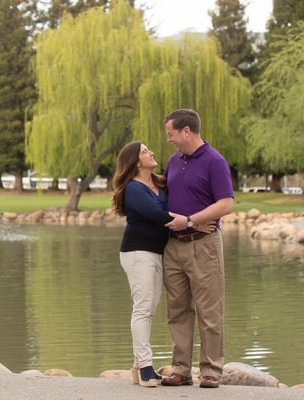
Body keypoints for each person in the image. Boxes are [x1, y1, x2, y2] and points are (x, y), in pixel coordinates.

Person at [111, 141, 212, 388]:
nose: (152, 152)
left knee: (149, 309)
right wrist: (193, 223)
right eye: (145, 151)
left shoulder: (157, 183)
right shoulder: (133, 189)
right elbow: (157, 216)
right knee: (143, 308)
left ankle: (138, 367)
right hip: (137, 253)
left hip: (156, 253)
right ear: (135, 161)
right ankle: (146, 367)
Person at [160, 109, 234, 389]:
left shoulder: (214, 161)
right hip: (173, 247)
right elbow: (165, 193)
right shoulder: (173, 160)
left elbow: (225, 204)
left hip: (204, 246)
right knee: (177, 310)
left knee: (209, 311)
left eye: (171, 133)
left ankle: (211, 371)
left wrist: (192, 221)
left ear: (186, 131)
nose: (169, 139)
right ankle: (180, 370)